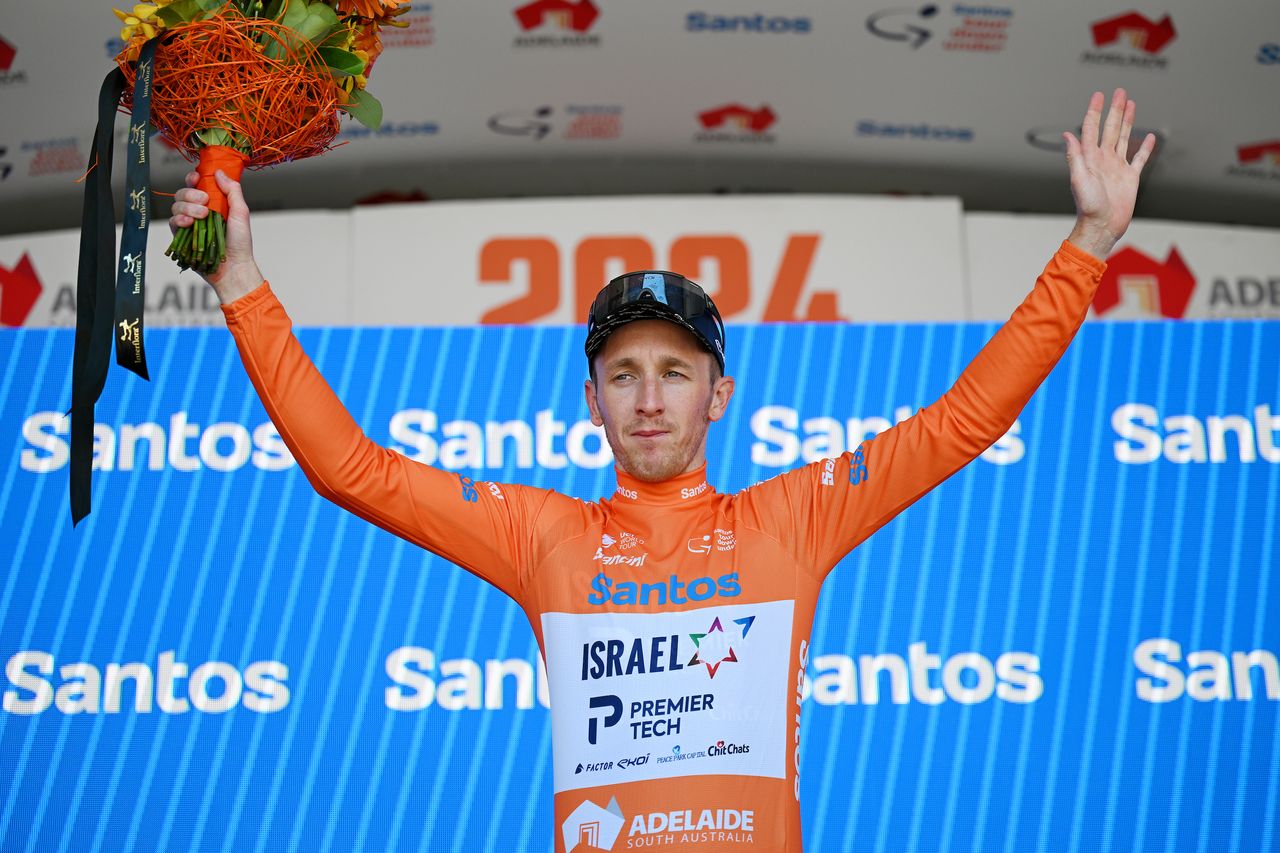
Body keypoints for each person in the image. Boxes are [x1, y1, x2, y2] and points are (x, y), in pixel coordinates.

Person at [170, 89, 1154, 852]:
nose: (649, 398)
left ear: (716, 395)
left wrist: (1089, 244)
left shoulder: (788, 522)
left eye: (674, 373)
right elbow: (350, 470)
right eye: (624, 374)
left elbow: (962, 420)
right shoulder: (543, 536)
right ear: (590, 399)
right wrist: (242, 281)